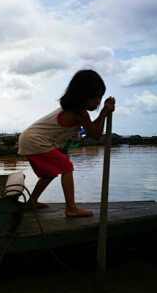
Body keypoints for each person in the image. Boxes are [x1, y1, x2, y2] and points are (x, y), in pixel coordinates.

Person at [18, 69, 116, 217]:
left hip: (29, 138)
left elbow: (90, 130)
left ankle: (32, 201)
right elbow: (96, 134)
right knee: (66, 166)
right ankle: (71, 208)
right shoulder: (80, 113)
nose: (98, 102)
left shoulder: (76, 110)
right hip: (35, 140)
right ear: (84, 96)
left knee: (50, 172)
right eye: (96, 97)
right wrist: (104, 113)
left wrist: (104, 112)